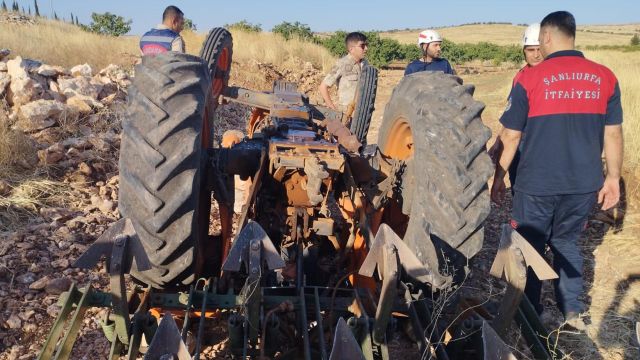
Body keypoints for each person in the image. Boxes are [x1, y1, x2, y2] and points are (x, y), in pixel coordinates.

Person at [491, 11, 623, 330]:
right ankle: (573, 312)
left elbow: (510, 135)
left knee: (530, 246)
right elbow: (614, 133)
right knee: (566, 242)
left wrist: (498, 177)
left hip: (536, 184)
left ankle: (530, 314)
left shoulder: (530, 78)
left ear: (547, 38)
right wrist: (613, 179)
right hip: (583, 185)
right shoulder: (605, 76)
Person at [488, 23, 544, 190]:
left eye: (539, 49)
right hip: (521, 143)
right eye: (530, 50)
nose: (536, 55)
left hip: (545, 143)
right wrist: (499, 141)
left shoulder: (556, 77)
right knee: (518, 187)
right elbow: (512, 115)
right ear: (524, 51)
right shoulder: (520, 77)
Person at [319, 32, 369, 113]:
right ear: (351, 49)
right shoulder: (341, 64)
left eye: (367, 45)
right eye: (362, 46)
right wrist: (332, 108)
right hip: (346, 112)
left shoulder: (365, 64)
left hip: (362, 112)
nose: (366, 48)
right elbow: (323, 87)